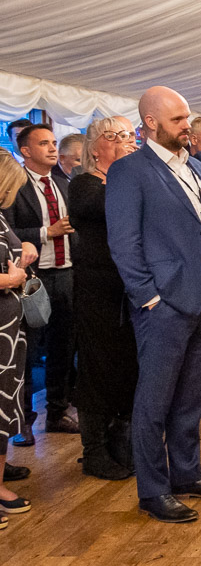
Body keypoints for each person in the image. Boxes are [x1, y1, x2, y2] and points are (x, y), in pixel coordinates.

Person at [106, 86, 201, 523]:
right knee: (154, 401)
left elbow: (200, 227)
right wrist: (148, 298)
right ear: (151, 122)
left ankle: (187, 473)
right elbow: (124, 245)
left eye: (187, 118)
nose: (188, 126)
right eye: (179, 119)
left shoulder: (197, 168)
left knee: (191, 396)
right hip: (163, 304)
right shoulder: (131, 170)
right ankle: (153, 490)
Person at [69, 117, 140, 480]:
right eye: (115, 137)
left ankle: (121, 443)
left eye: (129, 135)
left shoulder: (127, 181)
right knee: (98, 368)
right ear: (95, 147)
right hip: (98, 290)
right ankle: (94, 451)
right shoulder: (84, 185)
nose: (126, 141)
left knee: (129, 365)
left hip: (129, 288)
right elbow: (105, 209)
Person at [6, 123, 78, 441]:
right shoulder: (13, 185)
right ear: (25, 151)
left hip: (66, 273)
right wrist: (43, 233)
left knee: (64, 347)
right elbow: (4, 232)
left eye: (53, 142)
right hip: (31, 280)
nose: (52, 148)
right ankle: (23, 421)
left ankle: (58, 412)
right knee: (29, 353)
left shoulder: (64, 183)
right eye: (44, 143)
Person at [0, 150, 37, 513]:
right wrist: (9, 279)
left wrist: (24, 246)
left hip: (9, 330)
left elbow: (12, 245)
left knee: (3, 407)